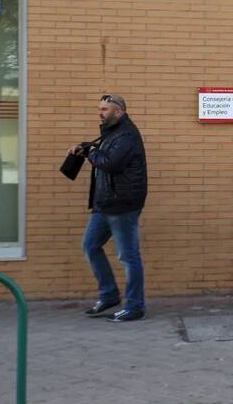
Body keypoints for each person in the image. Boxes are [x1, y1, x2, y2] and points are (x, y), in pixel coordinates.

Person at [68, 94, 148, 322]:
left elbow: (110, 163)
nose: (100, 112)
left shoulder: (127, 135)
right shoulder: (111, 133)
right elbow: (103, 158)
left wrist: (90, 152)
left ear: (118, 112)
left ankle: (135, 306)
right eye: (99, 108)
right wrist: (87, 148)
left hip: (123, 205)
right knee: (90, 246)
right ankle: (109, 295)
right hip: (104, 204)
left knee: (128, 255)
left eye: (104, 109)